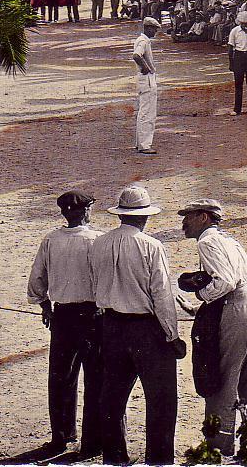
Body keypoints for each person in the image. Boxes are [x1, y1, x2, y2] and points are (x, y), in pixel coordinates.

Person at [90, 186, 186, 465]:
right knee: (161, 398)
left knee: (112, 396)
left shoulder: (99, 243)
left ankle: (115, 456)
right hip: (146, 328)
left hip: (112, 324)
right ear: (144, 217)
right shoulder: (152, 246)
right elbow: (161, 295)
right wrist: (172, 334)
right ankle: (158, 459)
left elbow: (95, 283)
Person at [177, 200, 247, 456]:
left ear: (204, 218)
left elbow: (226, 282)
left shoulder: (207, 242)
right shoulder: (230, 240)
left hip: (236, 309)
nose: (183, 222)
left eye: (189, 216)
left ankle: (218, 448)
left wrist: (200, 295)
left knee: (222, 383)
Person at [27, 190, 104, 459]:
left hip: (62, 316)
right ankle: (91, 440)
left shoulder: (51, 240)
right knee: (95, 377)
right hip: (93, 316)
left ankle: (61, 436)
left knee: (61, 378)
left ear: (64, 213)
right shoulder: (98, 240)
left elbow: (37, 279)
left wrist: (45, 307)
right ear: (85, 211)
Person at [132, 17, 161, 155]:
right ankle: (145, 144)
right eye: (154, 29)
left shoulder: (142, 40)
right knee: (148, 113)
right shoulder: (143, 41)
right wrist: (146, 68)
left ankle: (140, 142)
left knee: (144, 112)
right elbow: (137, 55)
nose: (155, 32)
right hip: (146, 79)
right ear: (148, 28)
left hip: (144, 79)